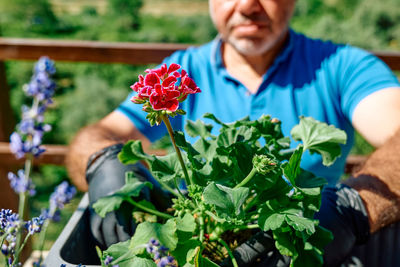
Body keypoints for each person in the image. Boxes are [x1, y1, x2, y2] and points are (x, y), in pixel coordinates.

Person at [66, 0, 400, 266]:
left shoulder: (342, 66)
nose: (247, 5)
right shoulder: (180, 72)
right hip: (197, 249)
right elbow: (99, 135)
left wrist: (352, 207)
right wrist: (103, 163)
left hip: (305, 243)